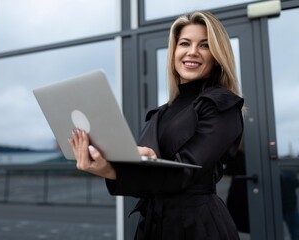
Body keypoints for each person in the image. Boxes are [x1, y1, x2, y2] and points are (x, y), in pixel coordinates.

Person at [69, 11, 243, 240]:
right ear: (173, 52)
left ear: (217, 55)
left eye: (205, 45)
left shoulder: (222, 105)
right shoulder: (162, 112)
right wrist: (122, 159)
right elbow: (148, 179)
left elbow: (187, 171)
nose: (192, 52)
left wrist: (112, 171)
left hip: (197, 227)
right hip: (153, 225)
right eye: (184, 43)